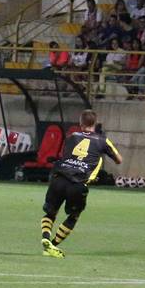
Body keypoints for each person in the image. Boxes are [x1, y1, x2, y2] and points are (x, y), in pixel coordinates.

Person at [39, 109, 121, 258]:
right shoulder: (102, 140)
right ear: (95, 123)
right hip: (77, 184)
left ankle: (45, 238)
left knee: (50, 213)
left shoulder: (72, 136)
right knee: (74, 215)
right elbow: (119, 159)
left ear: (80, 123)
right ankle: (53, 245)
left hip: (59, 178)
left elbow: (67, 155)